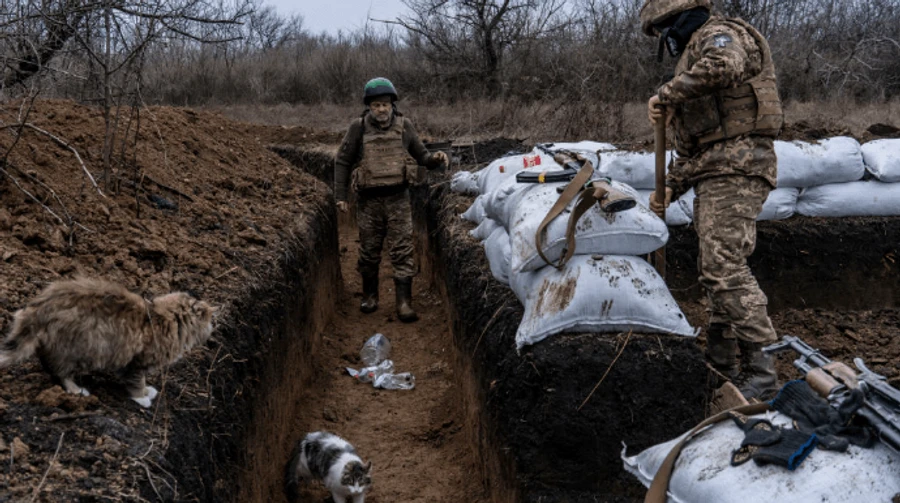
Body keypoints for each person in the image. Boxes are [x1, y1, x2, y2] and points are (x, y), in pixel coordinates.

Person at [640, 0, 785, 400]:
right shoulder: (691, 57)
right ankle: (722, 362)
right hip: (715, 171)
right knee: (714, 267)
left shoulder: (719, 36)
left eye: (665, 29)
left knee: (723, 265)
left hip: (738, 169)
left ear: (678, 19)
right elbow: (700, 147)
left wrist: (666, 94)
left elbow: (725, 65)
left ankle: (764, 370)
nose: (665, 40)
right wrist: (671, 185)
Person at [334, 77, 448, 322]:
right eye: (376, 105)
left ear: (392, 105)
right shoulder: (358, 127)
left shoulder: (404, 126)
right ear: (369, 107)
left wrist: (435, 158)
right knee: (369, 251)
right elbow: (343, 161)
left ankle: (404, 303)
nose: (381, 110)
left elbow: (421, 155)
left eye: (385, 104)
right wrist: (341, 196)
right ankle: (370, 296)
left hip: (398, 199)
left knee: (402, 251)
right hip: (368, 202)